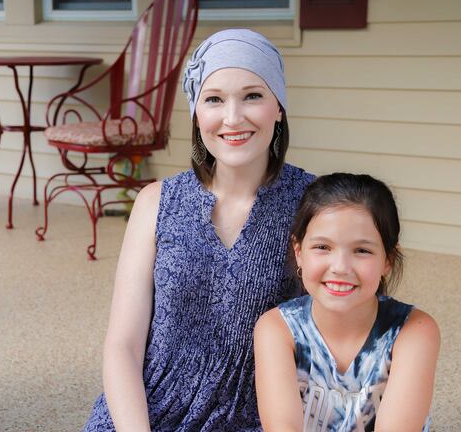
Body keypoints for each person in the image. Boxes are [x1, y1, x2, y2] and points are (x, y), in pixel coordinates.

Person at [83, 29, 315, 431]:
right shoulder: (156, 202)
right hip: (149, 409)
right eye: (214, 99)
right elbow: (123, 345)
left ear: (279, 106)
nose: (233, 117)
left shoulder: (314, 203)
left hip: (265, 416)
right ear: (196, 113)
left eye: (253, 95)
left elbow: (347, 331)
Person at [254, 173, 440, 432]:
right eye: (322, 247)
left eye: (362, 251)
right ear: (299, 252)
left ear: (387, 259)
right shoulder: (276, 329)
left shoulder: (414, 331)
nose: (340, 268)